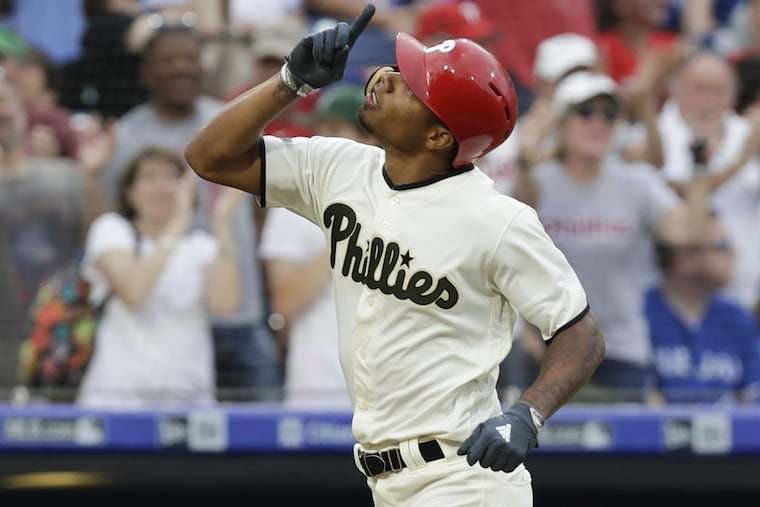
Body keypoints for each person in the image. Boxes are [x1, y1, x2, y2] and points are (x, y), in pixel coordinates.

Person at [186, 6, 606, 505]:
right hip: (385, 480)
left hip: (462, 476)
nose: (385, 77)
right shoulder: (337, 167)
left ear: (437, 136)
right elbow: (208, 157)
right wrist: (290, 81)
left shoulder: (497, 219)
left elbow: (582, 335)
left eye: (410, 85)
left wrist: (528, 413)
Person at [98, 23, 283, 401]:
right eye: (167, 61)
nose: (180, 67)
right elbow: (110, 218)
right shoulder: (129, 135)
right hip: (166, 318)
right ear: (145, 73)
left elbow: (265, 204)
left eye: (188, 58)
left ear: (204, 67)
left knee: (267, 442)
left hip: (239, 308)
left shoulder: (233, 121)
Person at [512, 71, 707, 404]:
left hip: (620, 348)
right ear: (561, 123)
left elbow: (691, 234)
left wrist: (700, 164)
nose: (598, 122)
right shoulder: (539, 182)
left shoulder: (637, 183)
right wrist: (528, 152)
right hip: (547, 348)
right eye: (586, 112)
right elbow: (513, 243)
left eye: (609, 114)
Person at [77, 146, 243, 409]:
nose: (162, 188)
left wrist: (222, 220)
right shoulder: (111, 230)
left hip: (190, 398)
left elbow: (225, 305)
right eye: (149, 178)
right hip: (117, 399)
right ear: (129, 192)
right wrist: (176, 224)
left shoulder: (201, 245)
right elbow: (135, 292)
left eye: (171, 178)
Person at [0, 77, 108, 393]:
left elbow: (104, 239)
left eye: (4, 100)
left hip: (59, 342)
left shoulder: (66, 176)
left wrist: (91, 177)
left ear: (22, 110)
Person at [646, 211, 760, 404]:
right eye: (722, 245)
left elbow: (754, 394)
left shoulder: (736, 318)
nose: (733, 252)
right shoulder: (639, 315)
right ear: (684, 258)